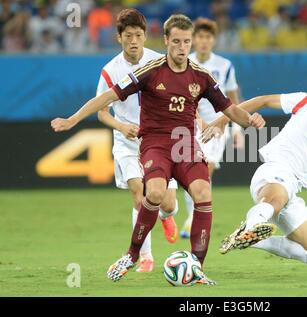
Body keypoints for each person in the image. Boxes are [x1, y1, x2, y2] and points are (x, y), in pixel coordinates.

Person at [51, 14, 265, 284]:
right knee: (152, 192)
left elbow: (230, 108)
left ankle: (196, 266)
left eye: (186, 42)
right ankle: (132, 254)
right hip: (155, 144)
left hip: (186, 145)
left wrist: (249, 121)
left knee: (203, 191)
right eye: (176, 41)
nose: (182, 47)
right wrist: (72, 119)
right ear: (165, 41)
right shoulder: (150, 70)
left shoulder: (201, 76)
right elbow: (107, 97)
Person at [203, 74, 307, 266]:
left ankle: (251, 239)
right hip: (273, 170)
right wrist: (222, 121)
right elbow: (264, 100)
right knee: (277, 199)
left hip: (293, 188)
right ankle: (250, 227)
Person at [96, 8, 179, 273]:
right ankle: (145, 256)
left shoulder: (161, 62)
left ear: (146, 37)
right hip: (127, 142)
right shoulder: (110, 70)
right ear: (119, 37)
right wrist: (121, 125)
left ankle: (167, 216)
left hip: (161, 140)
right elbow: (101, 112)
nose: (133, 40)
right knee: (139, 194)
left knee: (166, 202)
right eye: (128, 35)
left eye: (138, 35)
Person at [180, 17, 245, 239]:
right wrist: (198, 121)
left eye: (208, 37)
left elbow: (233, 98)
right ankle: (192, 215)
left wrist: (237, 130)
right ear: (193, 39)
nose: (204, 41)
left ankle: (193, 218)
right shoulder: (185, 63)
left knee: (205, 169)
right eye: (200, 37)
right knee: (190, 172)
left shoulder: (224, 66)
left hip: (218, 125)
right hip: (190, 123)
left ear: (213, 40)